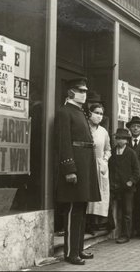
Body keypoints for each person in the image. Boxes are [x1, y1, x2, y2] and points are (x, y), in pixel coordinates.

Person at [55, 77, 100, 265]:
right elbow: (63, 142)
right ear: (70, 92)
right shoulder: (65, 112)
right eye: (81, 90)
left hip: (86, 165)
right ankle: (70, 253)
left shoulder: (80, 112)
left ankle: (79, 249)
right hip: (75, 167)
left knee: (81, 209)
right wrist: (69, 168)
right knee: (73, 209)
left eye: (85, 91)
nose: (84, 94)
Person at [109, 128, 140, 244]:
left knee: (127, 211)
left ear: (127, 140)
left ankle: (125, 235)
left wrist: (131, 181)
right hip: (114, 186)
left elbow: (137, 171)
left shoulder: (131, 153)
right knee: (109, 207)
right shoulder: (112, 152)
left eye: (122, 138)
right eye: (117, 138)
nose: (119, 140)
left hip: (127, 188)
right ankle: (111, 229)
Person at [86, 103, 112, 234]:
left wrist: (105, 160)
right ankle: (86, 223)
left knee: (99, 194)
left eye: (101, 114)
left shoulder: (103, 131)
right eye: (96, 112)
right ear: (90, 113)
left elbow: (108, 149)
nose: (99, 116)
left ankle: (95, 223)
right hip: (86, 164)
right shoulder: (85, 128)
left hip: (100, 165)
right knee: (87, 193)